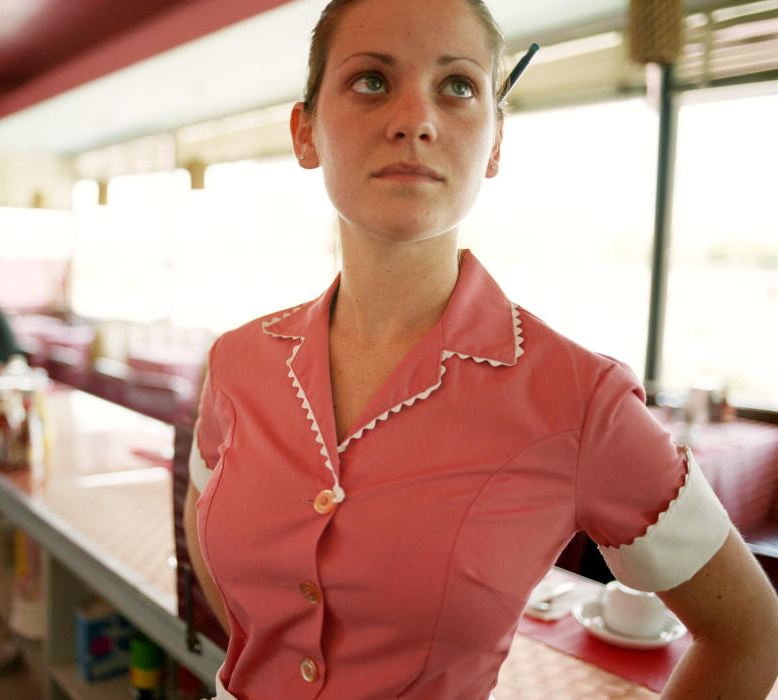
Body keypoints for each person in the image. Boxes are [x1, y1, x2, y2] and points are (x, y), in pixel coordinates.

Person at [182, 0, 778, 698]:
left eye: (458, 86)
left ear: (495, 143)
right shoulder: (237, 361)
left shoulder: (579, 399)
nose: (416, 120)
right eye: (372, 80)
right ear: (305, 131)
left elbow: (751, 635)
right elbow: (208, 526)